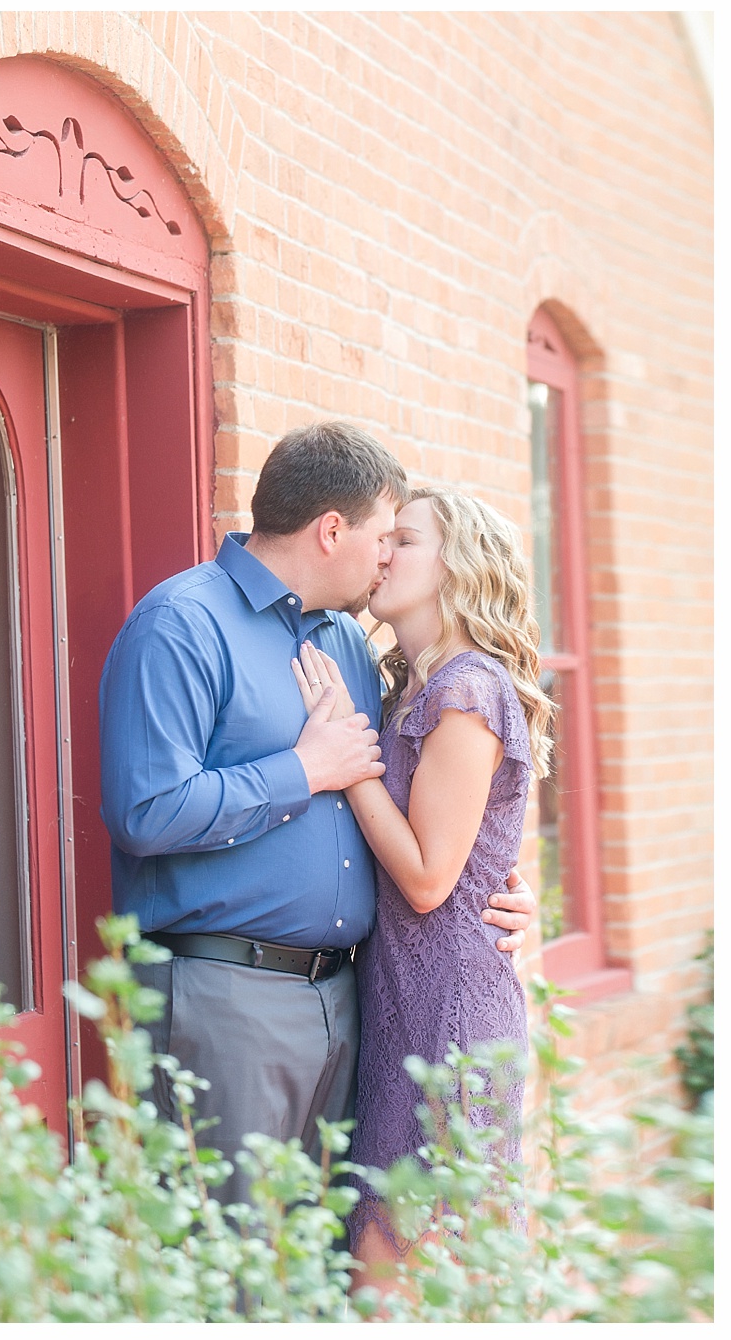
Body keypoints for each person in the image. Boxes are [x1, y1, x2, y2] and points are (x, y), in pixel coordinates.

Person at [97, 420, 538, 1208]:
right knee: (233, 1269)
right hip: (227, 996)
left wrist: (491, 890)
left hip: (353, 1003)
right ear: (333, 530)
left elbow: (428, 806)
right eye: (384, 535)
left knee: (321, 1270)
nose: (385, 557)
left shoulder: (348, 642)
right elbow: (147, 809)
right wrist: (302, 769)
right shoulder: (182, 625)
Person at [291, 489, 548, 1298]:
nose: (384, 554)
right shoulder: (414, 687)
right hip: (403, 999)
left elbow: (432, 879)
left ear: (456, 568)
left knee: (410, 1278)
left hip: (452, 1016)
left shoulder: (466, 691)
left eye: (404, 540)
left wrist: (348, 761)